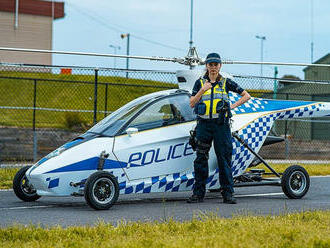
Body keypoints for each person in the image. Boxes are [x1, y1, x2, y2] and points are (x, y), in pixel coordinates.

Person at [187, 52, 251, 204]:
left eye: (216, 65)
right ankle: (198, 194)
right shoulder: (199, 83)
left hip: (221, 126)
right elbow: (191, 103)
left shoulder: (226, 82)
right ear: (206, 66)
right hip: (203, 125)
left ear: (220, 66)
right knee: (201, 158)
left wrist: (231, 107)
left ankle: (228, 194)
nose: (213, 67)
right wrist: (203, 90)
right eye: (211, 64)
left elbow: (246, 95)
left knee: (224, 159)